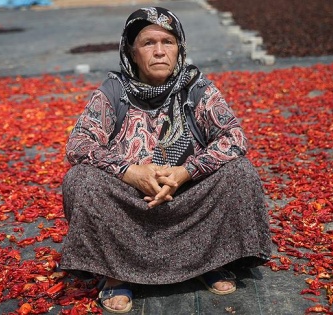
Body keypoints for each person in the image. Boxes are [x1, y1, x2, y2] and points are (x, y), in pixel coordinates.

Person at [60, 7, 272, 313]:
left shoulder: (197, 89)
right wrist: (130, 172)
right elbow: (78, 144)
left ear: (179, 48)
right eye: (148, 43)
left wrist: (185, 172)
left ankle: (211, 260)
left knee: (240, 172)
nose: (159, 51)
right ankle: (115, 275)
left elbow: (235, 137)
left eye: (168, 42)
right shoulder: (113, 92)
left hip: (188, 200)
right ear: (131, 52)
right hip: (133, 206)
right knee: (80, 180)